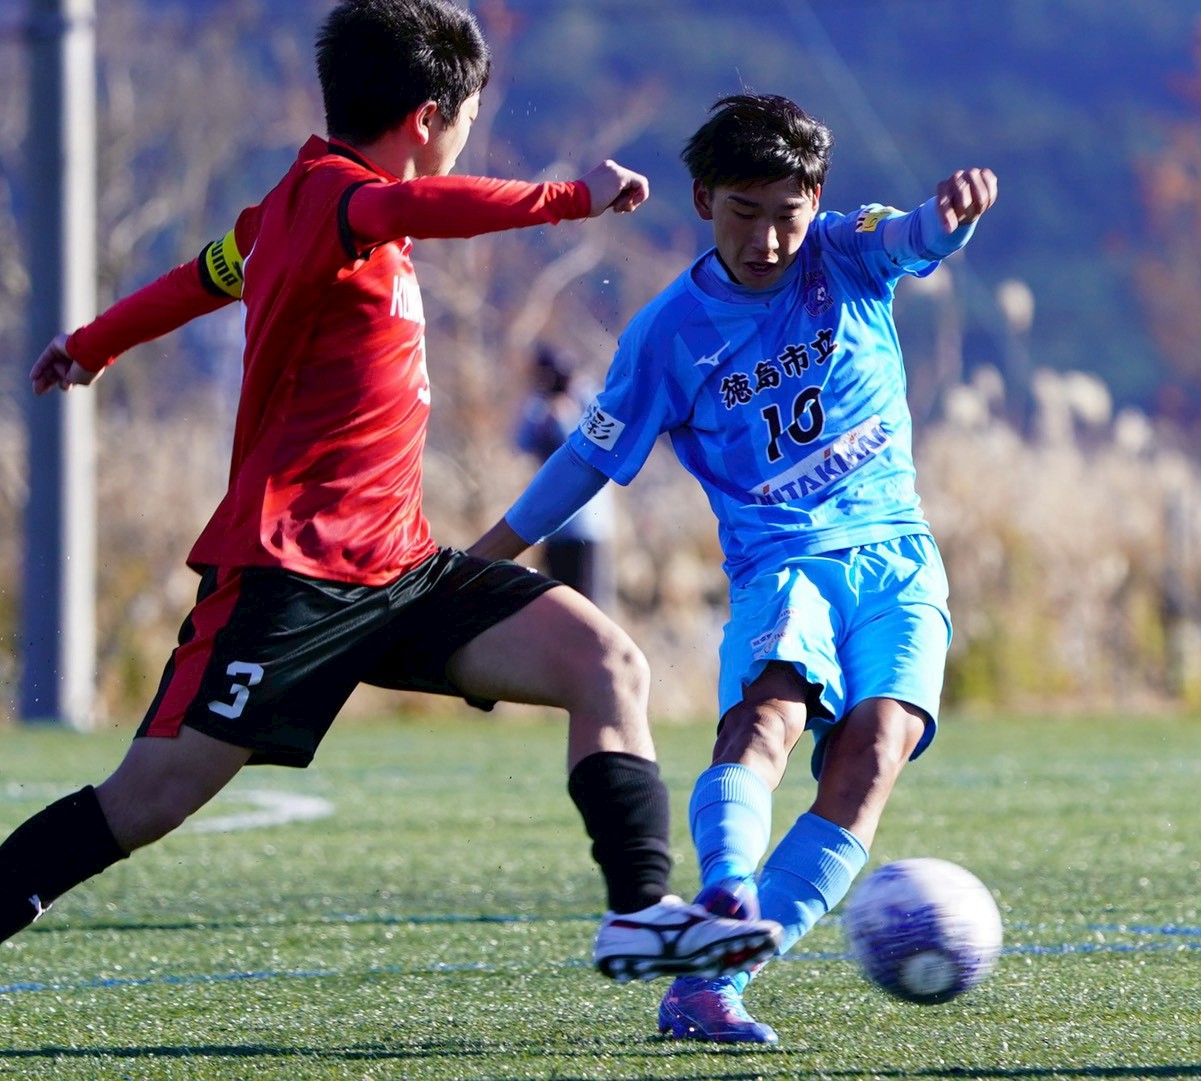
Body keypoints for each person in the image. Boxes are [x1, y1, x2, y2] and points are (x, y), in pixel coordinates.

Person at [2, 0, 781, 986]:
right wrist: (568, 198)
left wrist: (91, 343)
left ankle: (639, 912)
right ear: (426, 118)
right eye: (467, 119)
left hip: (399, 570)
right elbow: (399, 210)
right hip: (291, 576)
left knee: (606, 661)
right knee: (146, 799)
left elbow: (201, 277)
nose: (466, 139)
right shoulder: (339, 198)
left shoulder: (275, 220)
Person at [471, 92, 997, 1042]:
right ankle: (723, 892)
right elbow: (587, 459)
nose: (766, 239)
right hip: (781, 564)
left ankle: (714, 983)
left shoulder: (845, 251)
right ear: (703, 201)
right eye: (742, 213)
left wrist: (949, 218)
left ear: (816, 200)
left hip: (898, 562)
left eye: (786, 213)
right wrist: (480, 560)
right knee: (767, 720)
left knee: (875, 753)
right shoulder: (668, 332)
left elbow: (912, 237)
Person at [515, 347, 616, 610]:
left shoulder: (587, 398)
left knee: (590, 605)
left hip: (586, 524)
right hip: (553, 526)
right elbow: (521, 442)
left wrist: (565, 417)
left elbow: (584, 450)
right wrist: (538, 408)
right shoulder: (540, 407)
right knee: (559, 603)